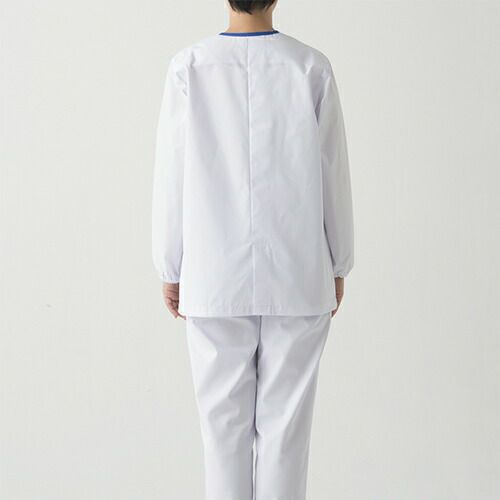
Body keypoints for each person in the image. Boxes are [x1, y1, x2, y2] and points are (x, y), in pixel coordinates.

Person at [152, 1, 354, 499]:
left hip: (213, 274)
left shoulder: (189, 67)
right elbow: (333, 172)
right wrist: (338, 261)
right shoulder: (310, 67)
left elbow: (172, 174)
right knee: (287, 437)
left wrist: (170, 266)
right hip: (298, 271)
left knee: (222, 438)